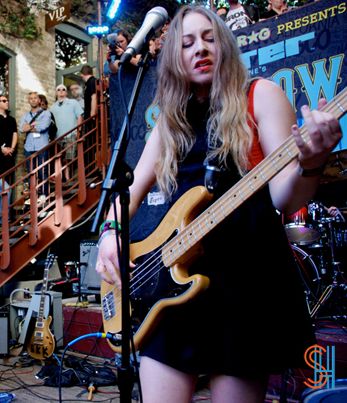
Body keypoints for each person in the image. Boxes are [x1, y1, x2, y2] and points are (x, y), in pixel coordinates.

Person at [95, 6, 342, 403]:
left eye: (210, 37)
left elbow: (283, 196)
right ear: (174, 56)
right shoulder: (170, 121)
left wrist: (311, 163)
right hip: (176, 279)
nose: (200, 48)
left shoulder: (260, 94)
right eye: (188, 42)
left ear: (225, 45)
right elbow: (132, 189)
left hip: (245, 277)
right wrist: (111, 234)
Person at [49, 84, 83, 180]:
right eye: (58, 89)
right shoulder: (52, 108)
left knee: (69, 158)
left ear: (66, 92)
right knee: (58, 158)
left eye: (63, 89)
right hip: (58, 137)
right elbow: (48, 121)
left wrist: (78, 130)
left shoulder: (73, 103)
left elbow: (79, 116)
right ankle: (61, 178)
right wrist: (34, 124)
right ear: (56, 93)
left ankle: (67, 178)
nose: (61, 91)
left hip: (71, 134)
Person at [20, 92, 51, 199]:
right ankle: (33, 195)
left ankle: (43, 194)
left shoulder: (46, 114)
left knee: (43, 171)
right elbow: (22, 129)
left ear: (39, 100)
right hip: (29, 147)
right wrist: (35, 123)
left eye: (35, 98)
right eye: (31, 98)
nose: (33, 100)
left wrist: (29, 126)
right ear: (29, 101)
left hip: (41, 146)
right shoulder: (25, 116)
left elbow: (42, 127)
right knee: (31, 173)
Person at [0, 95, 18, 176]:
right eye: (4, 101)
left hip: (9, 154)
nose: (7, 102)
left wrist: (12, 149)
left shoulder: (12, 119)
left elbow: (15, 134)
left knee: (9, 178)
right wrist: (1, 148)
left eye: (7, 100)